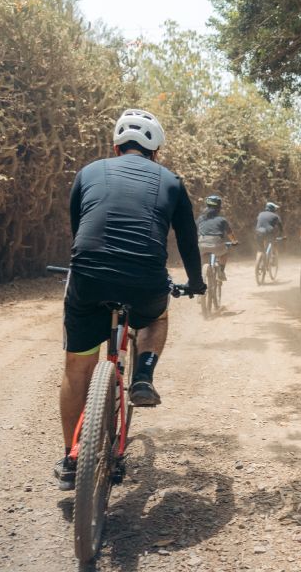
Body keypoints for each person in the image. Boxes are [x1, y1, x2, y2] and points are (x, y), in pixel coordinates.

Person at [57, 109, 205, 490]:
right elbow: (187, 238)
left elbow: (78, 225)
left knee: (77, 367)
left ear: (115, 147)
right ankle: (143, 375)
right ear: (156, 151)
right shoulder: (171, 180)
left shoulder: (89, 172)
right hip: (144, 280)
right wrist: (196, 282)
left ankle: (73, 458)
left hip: (88, 275)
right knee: (156, 317)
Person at [196, 195, 238, 280]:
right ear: (219, 207)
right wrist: (234, 242)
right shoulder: (222, 220)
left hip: (201, 244)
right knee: (224, 254)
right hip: (217, 245)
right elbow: (230, 234)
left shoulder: (200, 219)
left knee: (202, 257)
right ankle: (221, 271)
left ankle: (202, 275)